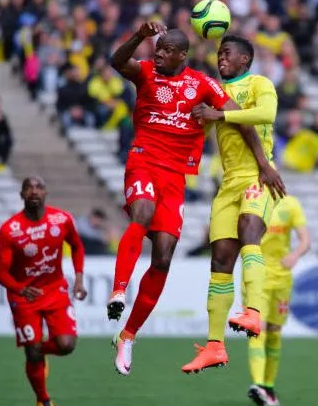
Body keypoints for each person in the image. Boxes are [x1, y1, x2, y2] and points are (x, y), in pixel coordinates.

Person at [105, 23, 281, 376]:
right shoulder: (145, 73)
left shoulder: (206, 85)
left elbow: (246, 121)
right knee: (142, 212)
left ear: (181, 55)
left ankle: (127, 335)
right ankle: (118, 292)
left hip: (177, 176)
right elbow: (116, 61)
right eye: (154, 49)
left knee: (165, 257)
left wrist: (264, 164)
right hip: (143, 159)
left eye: (163, 49)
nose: (155, 54)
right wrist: (139, 35)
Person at [182, 35, 287, 373]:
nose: (220, 58)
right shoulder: (214, 91)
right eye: (218, 53)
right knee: (220, 259)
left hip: (258, 176)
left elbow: (267, 113)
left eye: (227, 53)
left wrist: (218, 115)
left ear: (245, 59)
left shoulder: (259, 83)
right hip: (227, 184)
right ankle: (215, 346)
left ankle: (253, 313)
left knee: (249, 231)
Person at [0, 176, 87, 406]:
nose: (34, 191)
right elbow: (2, 275)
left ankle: (37, 351)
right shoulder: (9, 230)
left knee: (66, 345)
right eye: (28, 188)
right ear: (21, 195)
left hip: (54, 290)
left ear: (46, 194)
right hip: (24, 297)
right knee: (32, 352)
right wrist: (20, 289)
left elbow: (76, 245)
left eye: (39, 187)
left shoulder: (62, 219)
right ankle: (44, 402)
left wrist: (78, 278)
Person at [245, 195, 310, 406]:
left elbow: (305, 240)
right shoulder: (250, 200)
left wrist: (295, 255)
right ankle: (257, 384)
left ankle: (268, 387)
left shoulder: (290, 204)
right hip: (255, 274)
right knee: (258, 327)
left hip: (281, 277)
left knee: (273, 331)